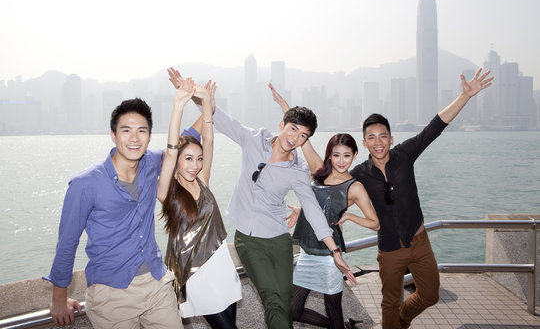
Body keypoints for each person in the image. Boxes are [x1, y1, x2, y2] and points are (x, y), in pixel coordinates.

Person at [167, 69, 357, 329]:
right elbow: (218, 119)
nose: (295, 138)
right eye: (293, 129)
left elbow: (312, 210)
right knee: (272, 299)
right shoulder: (253, 138)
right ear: (282, 124)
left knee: (286, 303)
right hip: (247, 238)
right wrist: (194, 95)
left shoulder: (298, 171)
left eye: (303, 136)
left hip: (278, 239)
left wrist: (334, 250)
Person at [349, 68, 493, 329]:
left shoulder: (404, 154)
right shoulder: (359, 174)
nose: (378, 142)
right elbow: (335, 196)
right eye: (371, 137)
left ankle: (403, 319)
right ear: (365, 143)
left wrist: (465, 96)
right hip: (390, 250)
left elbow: (435, 127)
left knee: (430, 295)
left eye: (383, 136)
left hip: (419, 243)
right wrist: (303, 212)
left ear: (391, 138)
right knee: (389, 303)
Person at [44, 97, 199, 328]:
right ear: (113, 135)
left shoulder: (151, 164)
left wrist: (207, 105)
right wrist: (58, 298)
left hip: (157, 285)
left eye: (142, 131)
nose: (134, 138)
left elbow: (184, 140)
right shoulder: (85, 184)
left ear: (149, 136)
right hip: (111, 294)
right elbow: (67, 242)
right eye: (126, 130)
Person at [271, 85, 380, 329]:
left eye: (347, 155)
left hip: (331, 257)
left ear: (354, 156)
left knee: (333, 310)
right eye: (336, 155)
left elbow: (375, 223)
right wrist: (285, 107)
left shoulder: (355, 187)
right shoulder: (318, 172)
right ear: (329, 155)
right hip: (309, 253)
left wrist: (351, 216)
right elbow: (301, 140)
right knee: (294, 310)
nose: (341, 161)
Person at [158, 73, 242, 328]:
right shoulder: (167, 192)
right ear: (175, 163)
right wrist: (178, 106)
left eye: (199, 158)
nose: (195, 165)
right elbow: (171, 149)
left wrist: (206, 99)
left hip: (220, 264)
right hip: (195, 273)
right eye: (188, 159)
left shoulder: (203, 181)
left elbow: (209, 137)